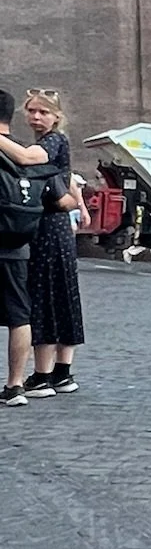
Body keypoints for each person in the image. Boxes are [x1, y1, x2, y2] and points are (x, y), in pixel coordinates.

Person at [20, 89, 83, 396]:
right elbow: (68, 180)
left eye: (43, 112)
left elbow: (30, 158)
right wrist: (77, 204)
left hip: (46, 227)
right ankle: (62, 372)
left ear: (56, 116)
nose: (36, 117)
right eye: (31, 111)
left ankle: (42, 375)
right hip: (58, 228)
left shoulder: (51, 141)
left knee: (44, 295)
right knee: (64, 294)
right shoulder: (59, 141)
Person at [0, 89, 52, 408]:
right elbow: (59, 197)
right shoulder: (27, 152)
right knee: (19, 317)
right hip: (18, 246)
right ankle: (15, 385)